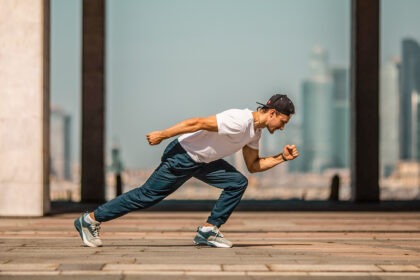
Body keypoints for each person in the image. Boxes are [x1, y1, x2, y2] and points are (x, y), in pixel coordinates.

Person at [74, 94, 299, 248]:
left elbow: (253, 166)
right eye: (282, 121)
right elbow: (197, 122)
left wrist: (281, 157)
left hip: (204, 162)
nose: (282, 127)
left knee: (237, 182)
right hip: (182, 156)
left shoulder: (254, 133)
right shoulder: (239, 121)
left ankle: (208, 231)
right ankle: (90, 220)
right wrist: (163, 134)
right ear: (271, 113)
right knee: (146, 196)